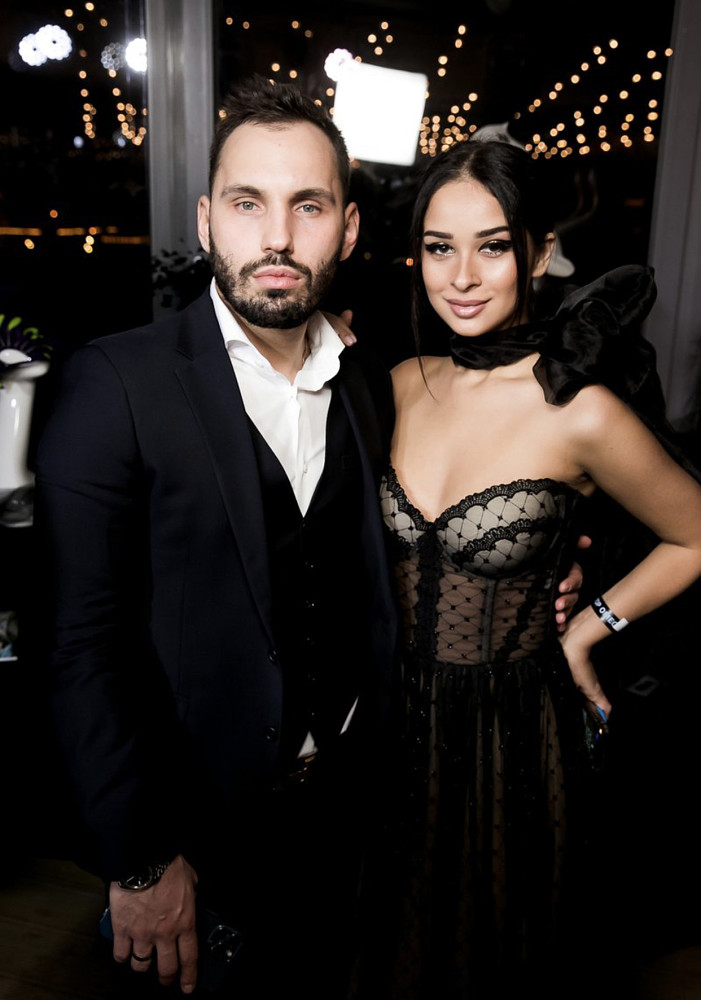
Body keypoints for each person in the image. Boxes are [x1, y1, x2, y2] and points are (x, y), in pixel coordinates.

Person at [34, 76, 400, 999]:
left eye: (307, 205)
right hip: (190, 839)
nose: (276, 237)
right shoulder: (115, 383)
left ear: (348, 229)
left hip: (343, 818)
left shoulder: (367, 385)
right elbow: (78, 644)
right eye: (247, 203)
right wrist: (140, 860)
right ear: (205, 221)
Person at [350, 138, 701, 999]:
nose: (462, 277)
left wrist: (587, 629)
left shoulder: (578, 410)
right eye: (440, 247)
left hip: (511, 738)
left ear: (539, 254)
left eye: (493, 246)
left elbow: (694, 533)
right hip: (393, 728)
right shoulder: (398, 382)